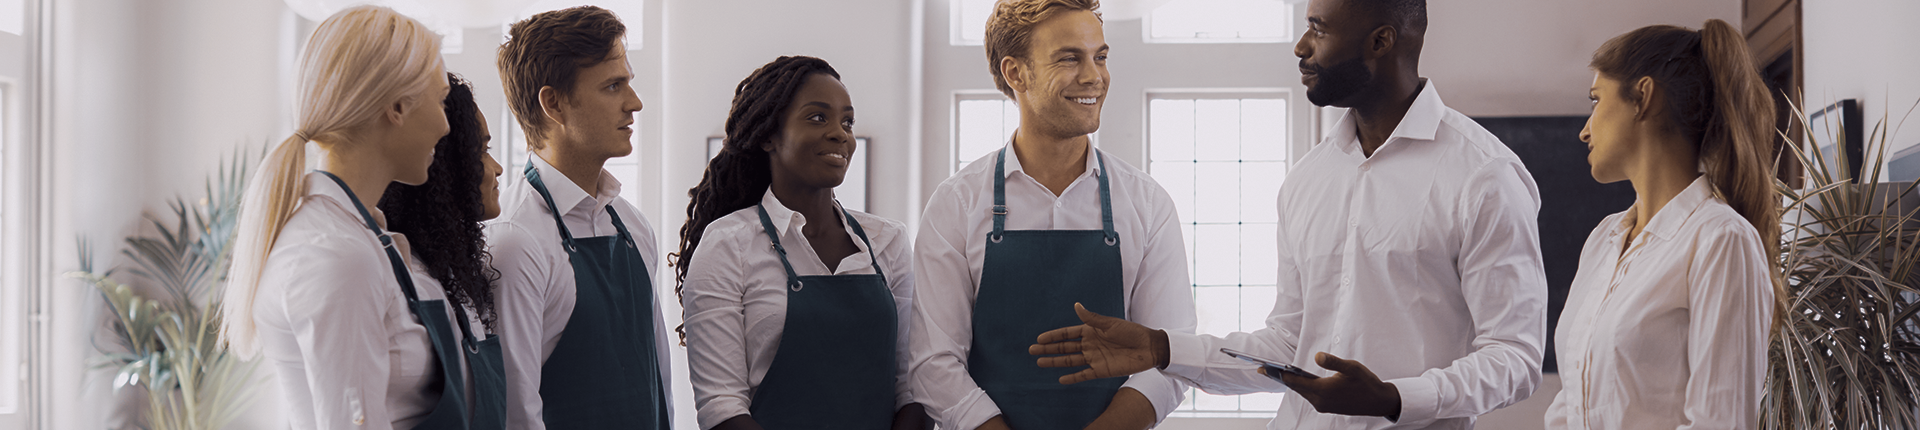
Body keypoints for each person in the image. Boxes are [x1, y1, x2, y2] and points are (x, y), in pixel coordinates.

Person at [1027, 0, 1550, 428]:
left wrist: (1394, 398)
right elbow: (1287, 345)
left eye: (1317, 29)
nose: (1300, 48)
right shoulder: (1309, 179)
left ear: (1381, 41)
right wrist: (1163, 349)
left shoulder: (1484, 176)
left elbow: (1515, 358)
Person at [907, 0, 1197, 429]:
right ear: (1015, 73)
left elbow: (1170, 354)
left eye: (1100, 56)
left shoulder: (1147, 203)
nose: (1094, 76)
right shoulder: (956, 204)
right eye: (1069, 58)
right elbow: (933, 363)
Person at [220, 6, 492, 429]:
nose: (445, 126)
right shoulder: (338, 255)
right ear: (398, 107)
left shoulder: (364, 235)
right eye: (440, 102)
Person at [1545, 19, 1779, 429]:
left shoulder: (1721, 240)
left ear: (1644, 97)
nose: (1584, 130)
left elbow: (1720, 423)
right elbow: (1571, 406)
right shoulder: (1604, 239)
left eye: (1596, 100)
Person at [676, 55, 932, 430]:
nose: (840, 134)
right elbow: (721, 407)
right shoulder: (728, 245)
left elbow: (913, 385)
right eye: (818, 117)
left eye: (847, 121)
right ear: (768, 135)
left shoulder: (887, 241)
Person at [487, 5, 670, 429]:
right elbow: (517, 413)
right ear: (553, 103)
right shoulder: (514, 240)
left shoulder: (633, 225)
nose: (635, 103)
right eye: (613, 86)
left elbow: (658, 381)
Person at [376, 72, 510, 430]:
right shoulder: (402, 278)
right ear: (446, 168)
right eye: (482, 150)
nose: (496, 169)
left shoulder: (454, 280)